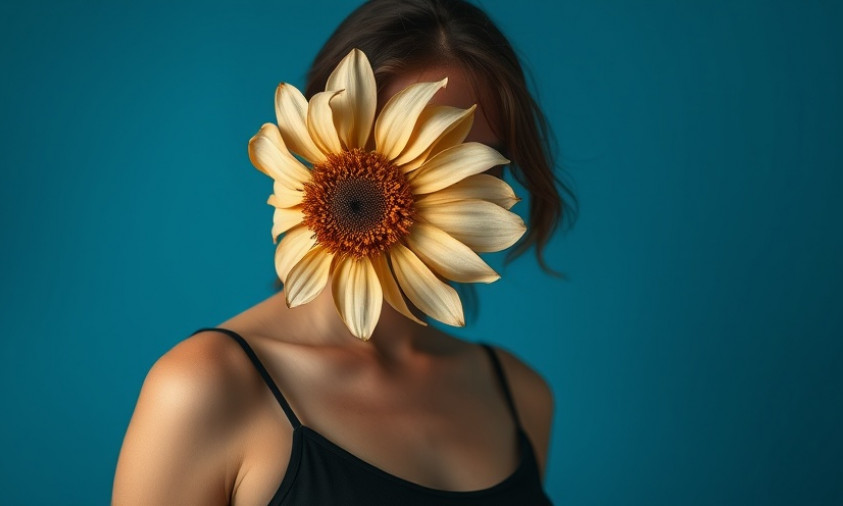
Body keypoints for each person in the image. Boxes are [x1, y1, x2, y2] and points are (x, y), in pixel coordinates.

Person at [112, 0, 572, 504]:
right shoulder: (205, 388)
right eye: (393, 143)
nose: (414, 182)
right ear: (319, 138)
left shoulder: (520, 397)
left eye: (458, 160)